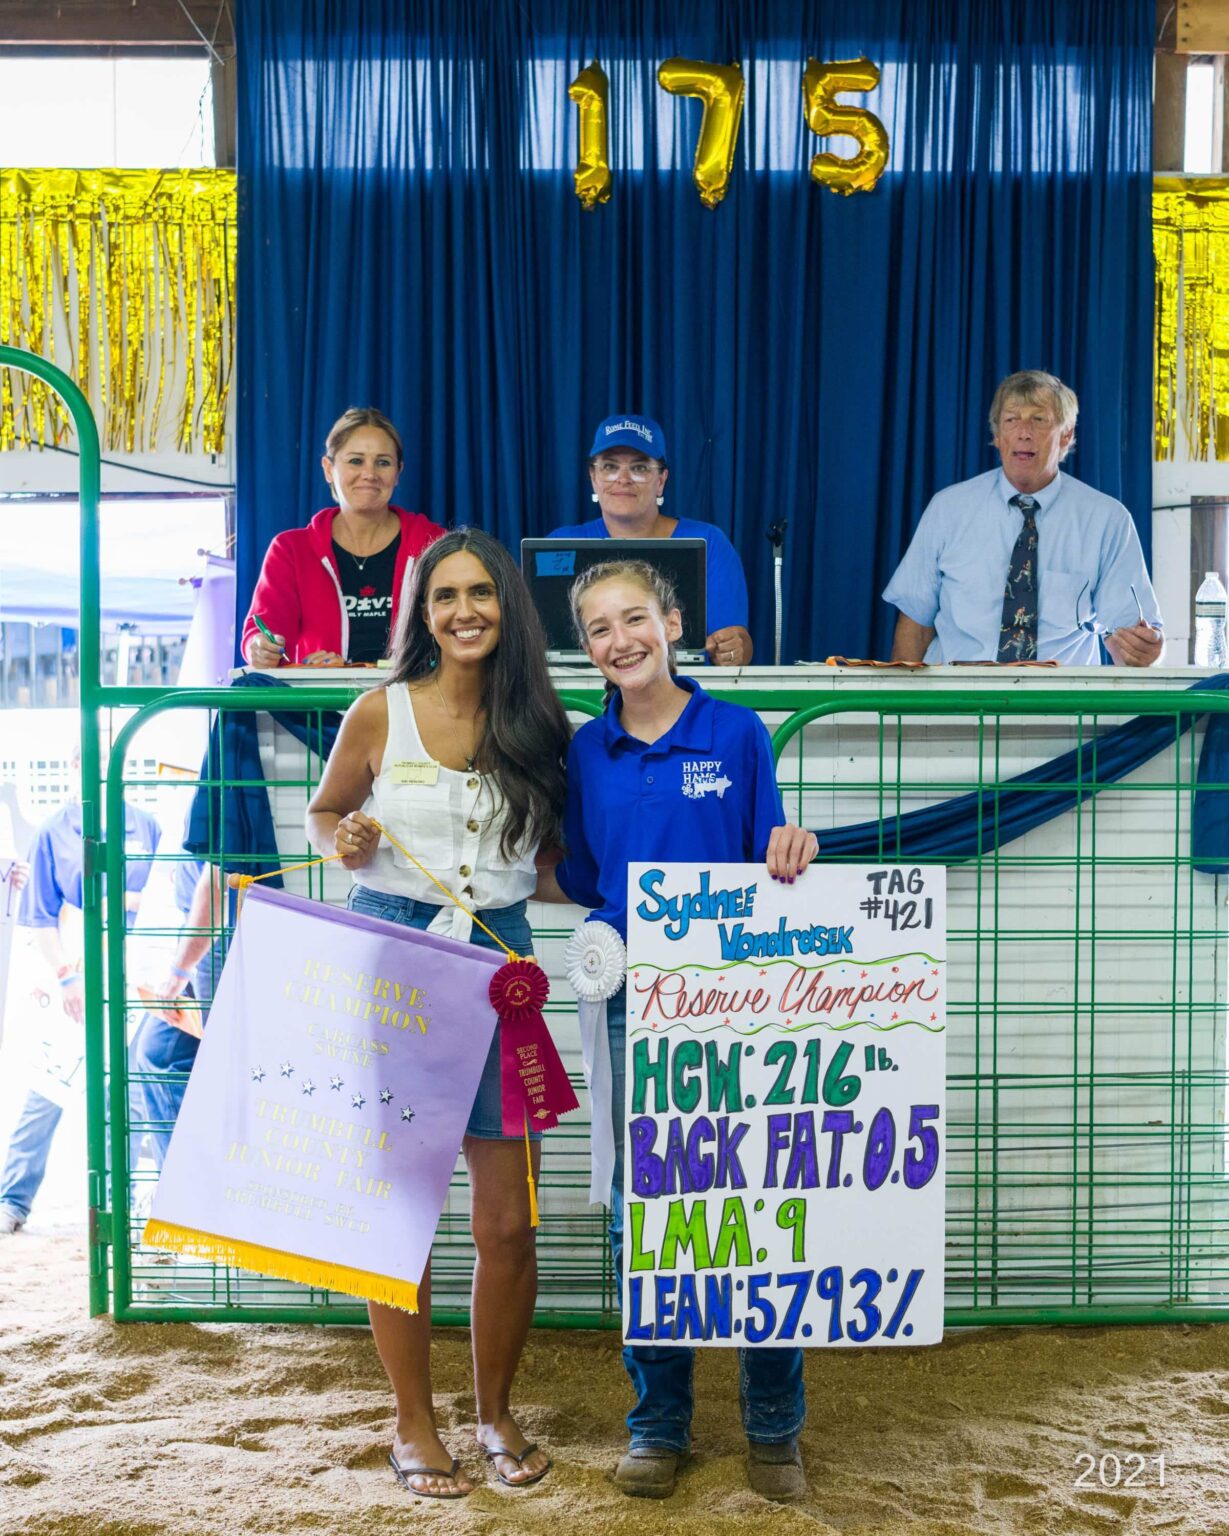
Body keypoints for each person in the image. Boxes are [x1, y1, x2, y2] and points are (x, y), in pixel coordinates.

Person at [536, 559, 818, 1503]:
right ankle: (657, 1422)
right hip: (625, 1001)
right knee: (647, 1215)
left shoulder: (736, 733)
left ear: (672, 619)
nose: (621, 640)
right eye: (599, 628)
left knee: (759, 1204)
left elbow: (771, 854)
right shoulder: (583, 751)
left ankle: (774, 1428)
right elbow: (577, 874)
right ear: (587, 647)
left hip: (735, 999)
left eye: (635, 618)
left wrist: (794, 846)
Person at [305, 528, 570, 1498]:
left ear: (508, 608)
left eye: (481, 594)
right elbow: (327, 814)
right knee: (401, 1223)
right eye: (444, 594)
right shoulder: (379, 713)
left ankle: (494, 1412)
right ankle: (413, 1425)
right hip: (397, 973)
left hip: (503, 973)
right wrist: (349, 835)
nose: (464, 611)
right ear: (422, 610)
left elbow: (551, 870)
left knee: (509, 1226)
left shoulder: (543, 724)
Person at [883, 371, 1163, 666]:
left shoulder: (1108, 520)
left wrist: (1142, 649)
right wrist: (900, 707)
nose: (1023, 432)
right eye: (1011, 419)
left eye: (1038, 420)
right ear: (997, 436)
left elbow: (1132, 638)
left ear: (1066, 434)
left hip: (1061, 705)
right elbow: (915, 625)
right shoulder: (947, 509)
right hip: (957, 701)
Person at [0, 761, 161, 1234]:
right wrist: (67, 977)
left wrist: (117, 903)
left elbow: (158, 899)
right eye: (92, 763)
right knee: (48, 1087)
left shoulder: (145, 825)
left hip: (134, 974)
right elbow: (41, 915)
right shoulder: (54, 830)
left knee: (124, 1093)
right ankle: (13, 1198)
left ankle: (119, 1205)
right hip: (72, 969)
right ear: (76, 767)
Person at [241, 407, 441, 668]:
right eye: (356, 461)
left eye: (383, 462)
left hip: (412, 699)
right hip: (321, 704)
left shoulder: (434, 544)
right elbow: (262, 635)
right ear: (328, 468)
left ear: (398, 472)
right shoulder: (290, 549)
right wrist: (260, 648)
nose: (369, 474)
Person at [549, 414, 754, 667]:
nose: (623, 479)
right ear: (593, 477)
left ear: (661, 480)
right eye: (610, 467)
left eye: (639, 468)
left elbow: (737, 642)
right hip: (581, 696)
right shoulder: (559, 542)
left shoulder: (709, 541)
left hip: (687, 692)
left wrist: (733, 649)